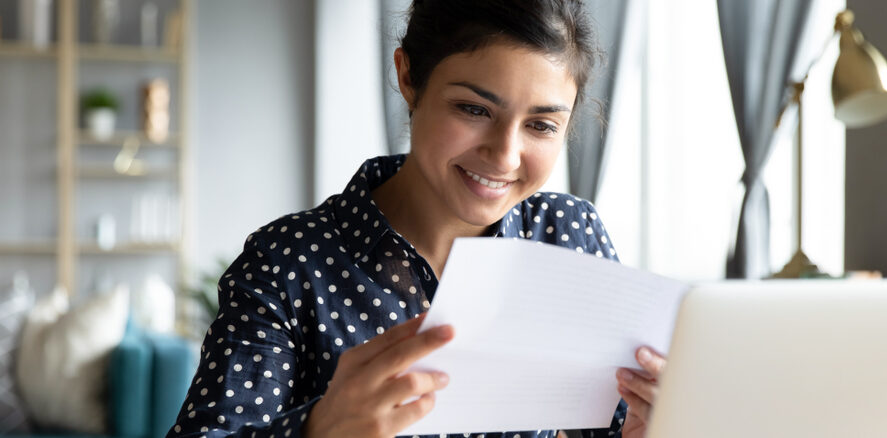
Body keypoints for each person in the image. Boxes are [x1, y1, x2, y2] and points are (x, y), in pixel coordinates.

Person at [167, 1, 666, 437]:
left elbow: (616, 422)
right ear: (408, 77)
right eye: (474, 109)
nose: (505, 156)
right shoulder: (288, 261)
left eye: (540, 125)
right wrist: (317, 430)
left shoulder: (568, 236)